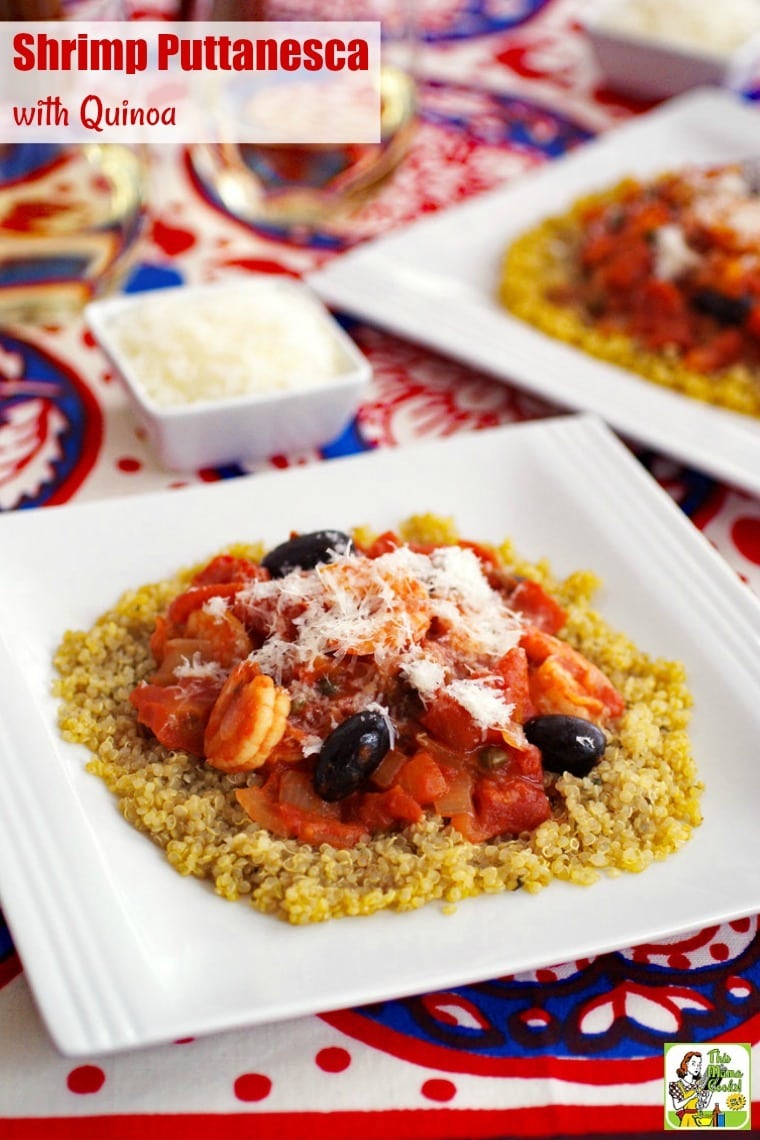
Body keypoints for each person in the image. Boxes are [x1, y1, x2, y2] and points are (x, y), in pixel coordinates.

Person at [668, 1051, 713, 1127]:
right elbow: (676, 1106)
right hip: (687, 1120)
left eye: (699, 1065)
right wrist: (691, 1097)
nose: (697, 1067)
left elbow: (703, 1106)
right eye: (693, 1064)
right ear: (686, 1064)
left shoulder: (699, 1085)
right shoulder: (676, 1085)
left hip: (698, 1119)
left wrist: (710, 1092)